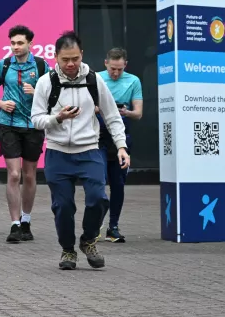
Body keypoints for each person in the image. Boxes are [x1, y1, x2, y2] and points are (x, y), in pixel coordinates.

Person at [31, 31, 129, 270]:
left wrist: (121, 146)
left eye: (75, 58)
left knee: (98, 199)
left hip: (90, 151)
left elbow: (112, 116)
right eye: (65, 59)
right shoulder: (47, 82)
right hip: (57, 152)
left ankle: (88, 240)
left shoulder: (95, 80)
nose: (71, 64)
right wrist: (58, 118)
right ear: (56, 57)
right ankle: (67, 250)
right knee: (63, 206)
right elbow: (35, 119)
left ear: (82, 54)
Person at [0, 25, 48, 243]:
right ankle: (14, 224)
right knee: (13, 174)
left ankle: (27, 220)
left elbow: (54, 94)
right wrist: (1, 103)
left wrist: (38, 89)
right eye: (13, 43)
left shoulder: (41, 65)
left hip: (33, 125)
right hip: (8, 124)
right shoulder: (4, 65)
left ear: (30, 43)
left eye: (20, 43)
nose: (16, 47)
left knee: (30, 174)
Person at [98, 48, 142, 243]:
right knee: (97, 182)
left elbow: (138, 113)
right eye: (112, 69)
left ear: (125, 65)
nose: (115, 73)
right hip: (98, 134)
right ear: (105, 63)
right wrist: (106, 109)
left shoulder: (133, 81)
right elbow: (87, 106)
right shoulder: (96, 78)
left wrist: (124, 112)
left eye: (119, 69)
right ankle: (95, 226)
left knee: (118, 184)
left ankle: (113, 227)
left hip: (122, 134)